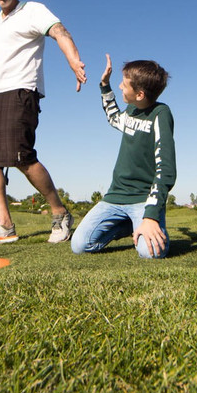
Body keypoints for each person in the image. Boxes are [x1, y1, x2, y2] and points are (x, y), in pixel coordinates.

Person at [0, 0, 86, 244]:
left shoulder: (33, 10)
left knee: (21, 158)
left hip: (21, 91)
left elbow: (59, 32)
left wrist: (73, 60)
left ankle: (60, 213)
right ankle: (3, 225)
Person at [71, 54, 176, 259]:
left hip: (143, 201)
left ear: (140, 94)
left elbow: (166, 169)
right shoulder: (131, 110)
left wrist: (151, 216)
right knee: (80, 246)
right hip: (114, 197)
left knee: (150, 253)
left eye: (124, 84)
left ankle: (148, 226)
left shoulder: (161, 114)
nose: (120, 87)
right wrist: (104, 85)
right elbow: (113, 117)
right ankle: (128, 225)